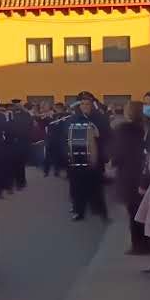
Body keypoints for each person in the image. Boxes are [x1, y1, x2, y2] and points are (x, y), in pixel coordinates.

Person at [110, 101, 150, 255]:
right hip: (145, 173)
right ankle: (148, 241)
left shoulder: (124, 130)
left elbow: (119, 152)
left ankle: (139, 245)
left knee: (134, 211)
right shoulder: (148, 128)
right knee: (146, 209)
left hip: (129, 175)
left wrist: (112, 161)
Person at [64, 92, 110, 222]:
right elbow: (66, 138)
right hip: (78, 158)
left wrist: (99, 135)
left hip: (96, 158)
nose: (85, 106)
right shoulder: (73, 119)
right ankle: (79, 211)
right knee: (78, 186)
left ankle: (101, 211)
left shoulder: (100, 119)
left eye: (88, 104)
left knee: (97, 186)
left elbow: (108, 137)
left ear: (92, 105)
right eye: (82, 104)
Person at [8, 99, 32, 190]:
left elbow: (29, 127)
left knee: (20, 163)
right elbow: (7, 126)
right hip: (12, 141)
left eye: (17, 104)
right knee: (13, 163)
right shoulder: (10, 114)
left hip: (22, 141)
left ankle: (21, 182)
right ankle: (16, 181)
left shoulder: (26, 114)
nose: (16, 106)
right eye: (14, 104)